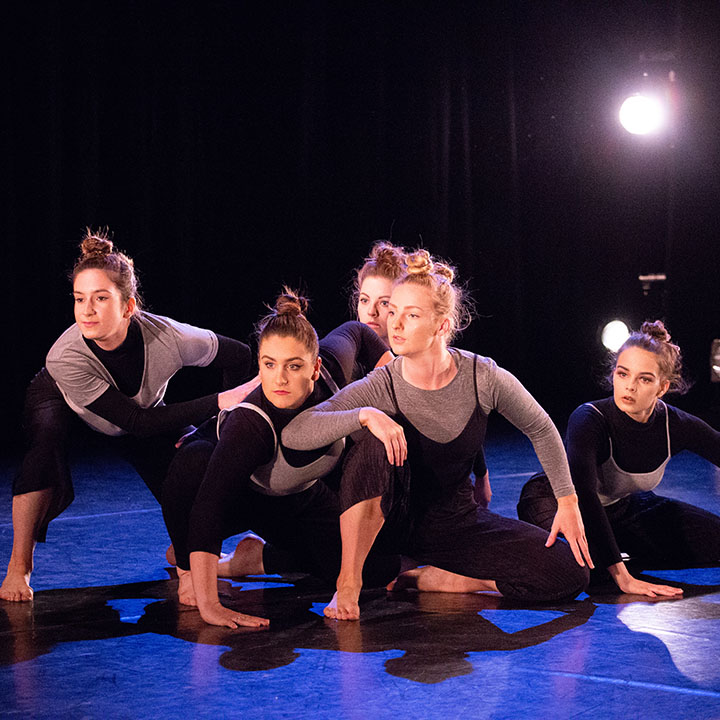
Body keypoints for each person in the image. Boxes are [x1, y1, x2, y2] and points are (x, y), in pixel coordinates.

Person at [283, 249, 592, 620]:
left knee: (570, 572)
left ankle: (454, 580)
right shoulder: (383, 384)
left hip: (453, 524)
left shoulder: (482, 376)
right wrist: (364, 416)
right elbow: (296, 433)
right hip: (388, 525)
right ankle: (349, 583)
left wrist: (567, 501)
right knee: (374, 444)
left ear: (441, 326)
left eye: (411, 315)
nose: (394, 325)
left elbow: (540, 427)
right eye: (392, 312)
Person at [1, 228, 257, 603]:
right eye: (79, 299)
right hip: (64, 402)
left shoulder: (169, 337)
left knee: (190, 464)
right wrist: (220, 401)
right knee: (44, 444)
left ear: (128, 306)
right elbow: (135, 422)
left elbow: (239, 356)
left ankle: (185, 562)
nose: (86, 310)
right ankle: (19, 565)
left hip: (138, 414)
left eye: (101, 298)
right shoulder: (65, 356)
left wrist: (219, 430)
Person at [161, 289, 398, 628]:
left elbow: (358, 332)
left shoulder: (332, 367)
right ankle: (189, 565)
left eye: (294, 366)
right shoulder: (250, 424)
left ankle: (249, 559)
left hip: (300, 495)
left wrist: (391, 373)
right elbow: (209, 506)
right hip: (240, 498)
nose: (280, 379)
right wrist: (209, 604)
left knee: (375, 571)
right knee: (191, 461)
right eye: (269, 365)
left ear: (316, 368)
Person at [517, 321, 720, 597]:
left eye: (644, 379)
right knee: (581, 572)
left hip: (621, 510)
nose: (630, 387)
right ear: (614, 375)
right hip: (557, 503)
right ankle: (613, 558)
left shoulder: (676, 424)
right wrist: (623, 578)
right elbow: (586, 497)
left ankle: (616, 551)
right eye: (623, 374)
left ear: (662, 388)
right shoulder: (589, 419)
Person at [353, 241, 490, 507]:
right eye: (364, 300)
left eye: (385, 303)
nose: (371, 312)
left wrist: (481, 475)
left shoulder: (418, 356)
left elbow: (458, 409)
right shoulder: (351, 358)